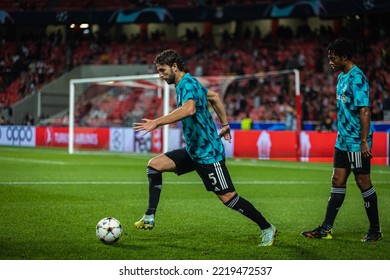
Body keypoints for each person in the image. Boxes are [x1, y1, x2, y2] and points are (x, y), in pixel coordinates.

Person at [133, 49, 277, 247]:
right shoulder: (188, 83)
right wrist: (225, 125)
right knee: (154, 165)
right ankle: (150, 215)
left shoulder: (187, 84)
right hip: (194, 150)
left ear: (174, 66)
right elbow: (215, 97)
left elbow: (189, 109)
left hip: (209, 154)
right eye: (159, 71)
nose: (161, 75)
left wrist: (157, 122)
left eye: (163, 70)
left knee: (228, 197)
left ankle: (267, 227)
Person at [301, 38, 382, 242]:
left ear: (344, 57)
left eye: (333, 58)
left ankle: (375, 230)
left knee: (363, 182)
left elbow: (364, 110)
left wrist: (364, 141)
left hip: (356, 140)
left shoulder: (357, 78)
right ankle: (325, 228)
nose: (330, 62)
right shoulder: (341, 77)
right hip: (342, 140)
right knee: (337, 180)